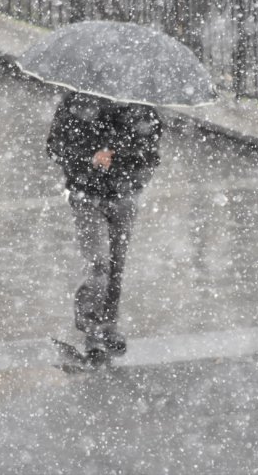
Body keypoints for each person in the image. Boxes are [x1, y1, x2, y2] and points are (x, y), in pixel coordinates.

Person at [46, 91, 162, 359]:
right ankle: (90, 324)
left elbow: (150, 155)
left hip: (124, 197)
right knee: (99, 263)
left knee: (116, 266)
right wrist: (90, 157)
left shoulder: (142, 108)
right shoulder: (76, 104)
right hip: (86, 196)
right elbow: (55, 148)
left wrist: (118, 154)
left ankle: (108, 325)